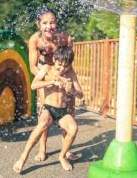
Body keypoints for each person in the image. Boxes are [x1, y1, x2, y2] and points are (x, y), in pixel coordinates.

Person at [13, 46, 84, 174]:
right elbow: (34, 85)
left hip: (62, 110)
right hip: (48, 108)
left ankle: (62, 156)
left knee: (73, 129)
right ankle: (23, 157)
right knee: (42, 124)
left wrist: (71, 90)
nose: (62, 69)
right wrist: (51, 81)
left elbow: (80, 94)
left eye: (66, 66)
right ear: (54, 59)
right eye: (59, 65)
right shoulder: (47, 68)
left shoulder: (70, 73)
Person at [28, 10, 81, 161]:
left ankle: (67, 149)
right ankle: (42, 147)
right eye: (45, 23)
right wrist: (48, 78)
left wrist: (66, 80)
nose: (49, 26)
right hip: (44, 73)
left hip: (63, 74)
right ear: (39, 25)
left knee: (69, 111)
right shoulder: (35, 40)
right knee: (45, 113)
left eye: (52, 22)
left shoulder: (65, 38)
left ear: (56, 23)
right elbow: (33, 66)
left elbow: (69, 61)